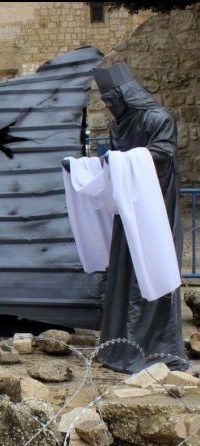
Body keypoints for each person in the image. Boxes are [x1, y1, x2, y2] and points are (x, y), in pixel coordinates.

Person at [93, 64, 188, 373]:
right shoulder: (117, 125)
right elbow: (112, 165)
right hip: (129, 209)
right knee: (124, 270)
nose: (108, 106)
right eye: (105, 101)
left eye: (111, 100)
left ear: (125, 95)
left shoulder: (158, 119)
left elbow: (162, 153)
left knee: (152, 269)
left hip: (155, 209)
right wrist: (84, 170)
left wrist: (120, 160)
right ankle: (121, 346)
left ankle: (156, 347)